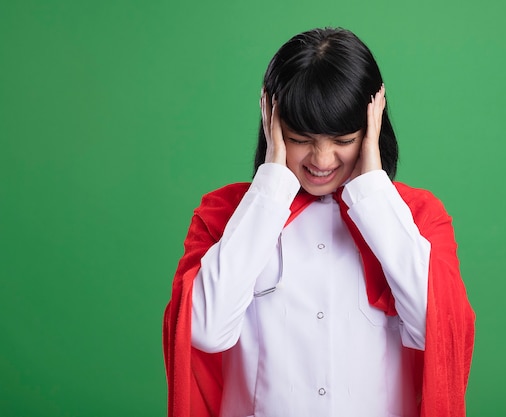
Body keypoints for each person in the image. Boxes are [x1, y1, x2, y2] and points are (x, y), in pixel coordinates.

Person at [163, 27, 475, 417]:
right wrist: (272, 188)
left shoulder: (417, 218)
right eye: (300, 138)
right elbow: (204, 331)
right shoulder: (225, 215)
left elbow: (440, 332)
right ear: (272, 123)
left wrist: (373, 192)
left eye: (343, 140)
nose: (322, 160)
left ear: (372, 128)